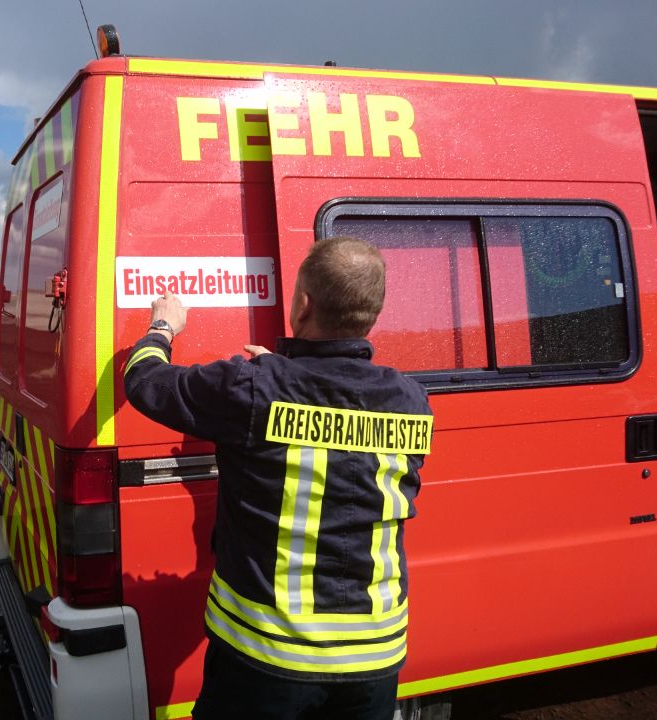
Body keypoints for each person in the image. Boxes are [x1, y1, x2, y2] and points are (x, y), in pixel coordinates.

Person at [123, 237, 433, 720]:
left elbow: (145, 383)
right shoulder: (412, 399)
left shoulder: (254, 389)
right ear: (372, 313)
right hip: (376, 656)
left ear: (303, 304)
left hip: (269, 658)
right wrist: (282, 376)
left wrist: (162, 326)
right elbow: (340, 443)